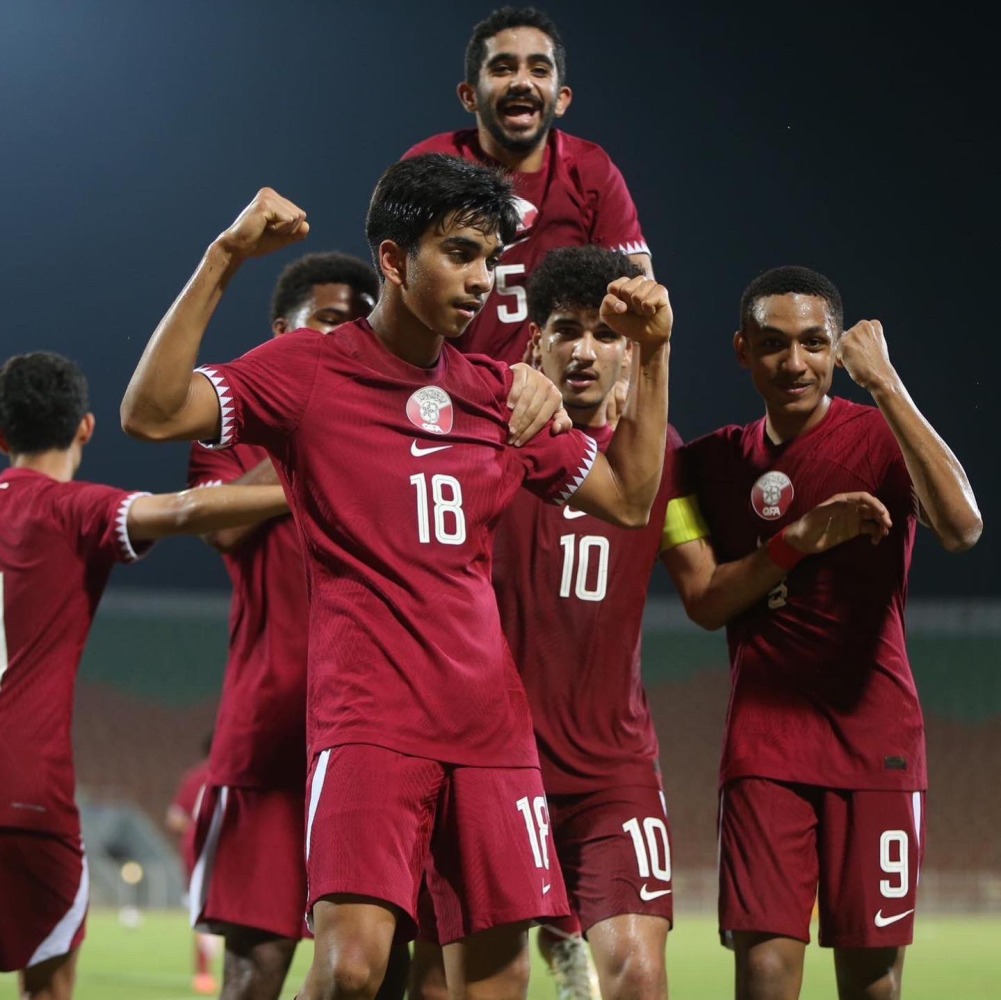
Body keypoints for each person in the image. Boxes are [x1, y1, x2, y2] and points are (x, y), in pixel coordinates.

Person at [118, 152, 672, 1000]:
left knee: (493, 984)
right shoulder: (308, 371)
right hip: (368, 721)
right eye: (458, 253)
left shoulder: (499, 395)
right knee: (348, 971)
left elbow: (632, 499)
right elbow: (149, 412)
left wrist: (654, 351)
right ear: (391, 259)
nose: (481, 279)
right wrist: (224, 256)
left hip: (491, 733)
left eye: (490, 257)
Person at [662, 265, 982, 1000]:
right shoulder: (701, 465)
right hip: (763, 752)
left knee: (871, 983)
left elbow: (961, 527)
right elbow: (705, 603)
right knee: (763, 974)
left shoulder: (879, 437)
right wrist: (797, 540)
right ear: (741, 351)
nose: (793, 363)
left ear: (838, 350)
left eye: (813, 343)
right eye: (773, 344)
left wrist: (886, 384)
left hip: (876, 745)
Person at [0, 351, 288, 1000]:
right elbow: (185, 512)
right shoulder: (75, 511)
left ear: (1, 435)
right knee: (47, 985)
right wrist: (307, 483)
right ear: (86, 429)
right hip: (26, 796)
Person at [185, 250, 415, 1000]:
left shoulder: (408, 429)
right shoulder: (236, 429)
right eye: (325, 323)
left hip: (379, 740)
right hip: (269, 742)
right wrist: (321, 438)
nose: (343, 337)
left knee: (380, 972)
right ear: (279, 328)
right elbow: (214, 525)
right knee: (255, 972)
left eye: (356, 323)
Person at [403, 5, 651, 366]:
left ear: (562, 98)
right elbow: (396, 294)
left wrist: (624, 393)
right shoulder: (430, 166)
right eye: (503, 68)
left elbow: (639, 302)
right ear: (469, 95)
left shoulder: (591, 170)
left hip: (564, 400)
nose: (522, 82)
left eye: (538, 69)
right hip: (453, 395)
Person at [165, 731, 218, 996]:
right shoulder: (228, 774)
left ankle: (204, 972)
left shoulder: (194, 777)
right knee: (214, 910)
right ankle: (205, 972)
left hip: (198, 853)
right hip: (218, 852)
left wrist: (193, 828)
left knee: (204, 910)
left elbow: (174, 819)